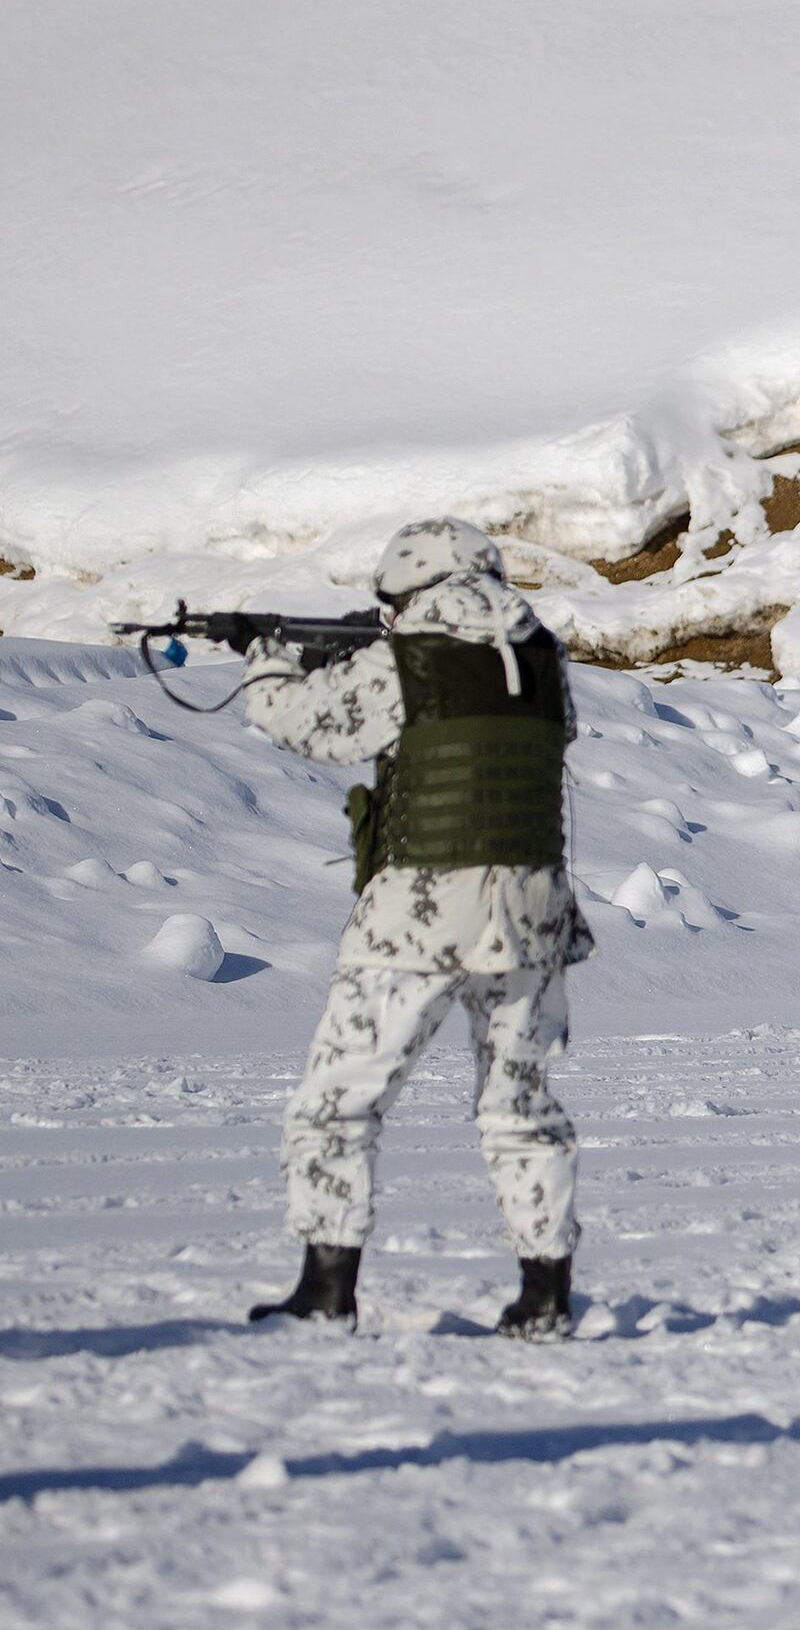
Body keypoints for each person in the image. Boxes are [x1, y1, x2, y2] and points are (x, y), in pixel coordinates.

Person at [239, 518, 594, 1337]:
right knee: (520, 1106)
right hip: (534, 915)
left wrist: (268, 658)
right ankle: (545, 1297)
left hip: (419, 919)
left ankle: (327, 1291)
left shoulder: (406, 657)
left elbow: (306, 725)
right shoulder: (542, 658)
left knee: (339, 1099)